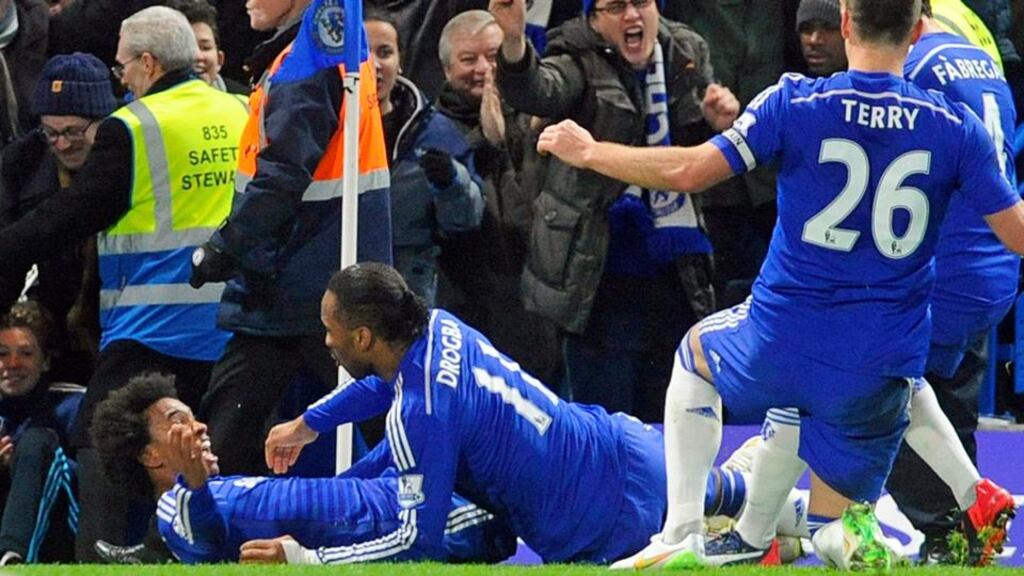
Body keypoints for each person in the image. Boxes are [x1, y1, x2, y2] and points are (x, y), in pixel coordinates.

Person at [533, 0, 1024, 569]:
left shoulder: (795, 102)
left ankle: (681, 531)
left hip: (786, 335)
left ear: (844, 23)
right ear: (917, 29)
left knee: (694, 357)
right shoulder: (953, 126)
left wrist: (592, 152)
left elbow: (690, 170)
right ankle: (851, 528)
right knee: (842, 474)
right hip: (882, 358)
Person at [255, 263, 794, 565]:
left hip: (602, 529)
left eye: (331, 328)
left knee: (720, 548)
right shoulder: (441, 327)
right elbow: (385, 382)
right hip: (622, 446)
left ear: (364, 336)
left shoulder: (422, 412)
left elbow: (414, 539)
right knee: (711, 495)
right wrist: (311, 424)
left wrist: (309, 559)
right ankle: (776, 504)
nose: (325, 338)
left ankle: (766, 528)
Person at [0, 6, 249, 560]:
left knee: (99, 434)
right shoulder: (240, 109)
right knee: (210, 446)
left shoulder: (134, 126)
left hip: (154, 322)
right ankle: (185, 550)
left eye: (122, 68)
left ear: (148, 61)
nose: (122, 80)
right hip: (234, 321)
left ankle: (103, 553)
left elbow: (73, 214)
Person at [489, 0, 738, 423]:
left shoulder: (686, 52)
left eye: (641, 3)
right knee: (604, 428)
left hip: (676, 275)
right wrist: (513, 42)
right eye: (616, 6)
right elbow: (537, 89)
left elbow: (695, 156)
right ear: (593, 19)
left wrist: (719, 122)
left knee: (671, 424)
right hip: (598, 277)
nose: (632, 16)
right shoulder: (573, 57)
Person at [189, 0, 393, 477]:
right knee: (392, 421)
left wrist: (225, 246)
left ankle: (188, 537)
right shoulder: (328, 46)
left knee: (231, 423)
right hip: (314, 275)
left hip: (297, 277)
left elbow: (282, 174)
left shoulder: (308, 58)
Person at [91, 372, 517, 565]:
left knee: (438, 404)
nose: (199, 425)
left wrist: (399, 443)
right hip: (420, 516)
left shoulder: (229, 486)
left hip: (402, 489)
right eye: (177, 422)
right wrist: (195, 484)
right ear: (149, 456)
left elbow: (341, 492)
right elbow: (205, 548)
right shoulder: (176, 510)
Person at [889, 1, 1018, 563]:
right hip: (994, 262)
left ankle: (941, 530)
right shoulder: (980, 57)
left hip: (946, 265)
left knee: (877, 391)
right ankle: (972, 525)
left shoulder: (912, 70)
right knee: (950, 401)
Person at [433, 10, 563, 384]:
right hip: (465, 298)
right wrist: (484, 142)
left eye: (492, 57)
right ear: (445, 69)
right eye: (468, 59)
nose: (484, 70)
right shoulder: (429, 128)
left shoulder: (539, 116)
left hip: (536, 297)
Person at [0, 52, 116, 384]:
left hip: (118, 323)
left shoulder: (130, 155)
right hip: (57, 333)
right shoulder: (20, 164)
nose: (62, 144)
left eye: (74, 132)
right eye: (51, 133)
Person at [365, 9, 483, 305]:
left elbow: (466, 222)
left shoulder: (434, 131)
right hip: (332, 288)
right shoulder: (318, 127)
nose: (374, 64)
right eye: (360, 52)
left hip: (409, 294)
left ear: (400, 62)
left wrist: (451, 183)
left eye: (385, 52)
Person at [0, 302, 83, 565]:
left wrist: (23, 462)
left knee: (37, 442)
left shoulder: (73, 403)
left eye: (26, 353)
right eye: (2, 353)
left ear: (45, 361)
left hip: (62, 532)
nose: (12, 364)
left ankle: (11, 558)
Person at [163, 0, 249, 94]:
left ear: (220, 59)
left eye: (205, 47)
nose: (197, 56)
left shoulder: (246, 103)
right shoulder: (146, 104)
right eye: (185, 47)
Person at [796, 0, 848, 76]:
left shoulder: (868, 86)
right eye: (806, 28)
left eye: (829, 28)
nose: (814, 40)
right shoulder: (787, 85)